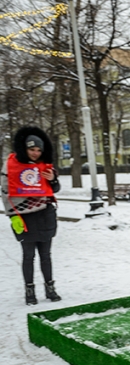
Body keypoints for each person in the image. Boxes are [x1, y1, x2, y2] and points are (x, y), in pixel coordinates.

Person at [2, 126, 62, 305]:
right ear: (24, 148)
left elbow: (55, 189)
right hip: (24, 217)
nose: (35, 153)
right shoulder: (10, 166)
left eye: (38, 150)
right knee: (28, 256)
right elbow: (5, 191)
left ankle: (50, 289)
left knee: (46, 255)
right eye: (31, 149)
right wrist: (12, 215)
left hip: (45, 215)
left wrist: (52, 179)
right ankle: (29, 291)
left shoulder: (44, 165)